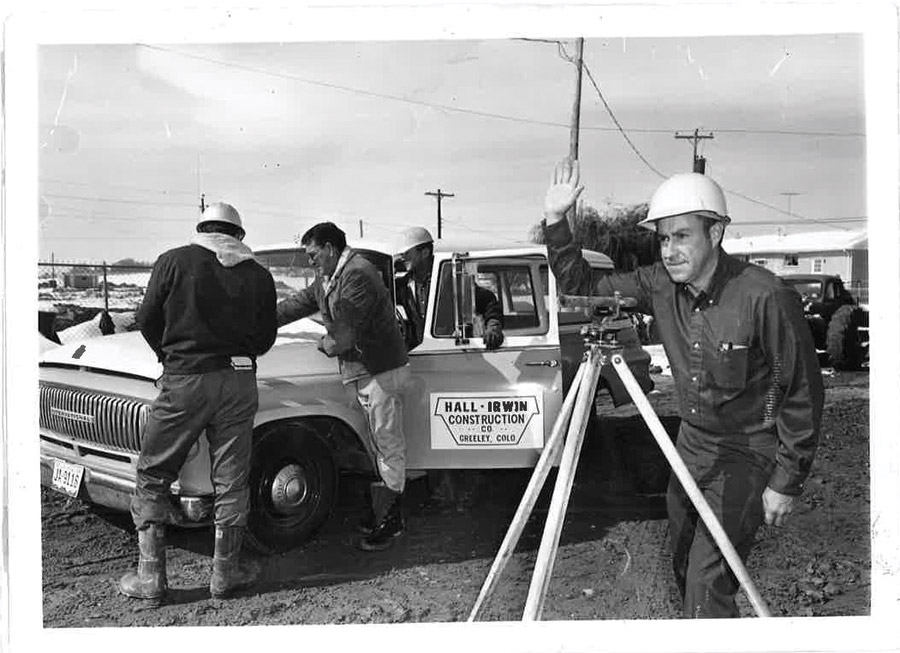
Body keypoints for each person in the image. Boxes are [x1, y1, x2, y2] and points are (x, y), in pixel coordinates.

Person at [541, 158, 824, 618]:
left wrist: (786, 480)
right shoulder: (658, 285)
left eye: (682, 236)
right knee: (682, 561)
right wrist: (556, 221)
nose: (669, 250)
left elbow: (801, 392)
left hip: (747, 453)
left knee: (708, 580)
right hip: (690, 449)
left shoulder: (764, 297)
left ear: (715, 234)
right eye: (664, 237)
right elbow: (581, 283)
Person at [120, 202, 277, 604]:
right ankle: (225, 575)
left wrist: (171, 357)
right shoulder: (258, 273)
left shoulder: (173, 261)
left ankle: (151, 579)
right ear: (238, 235)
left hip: (186, 380)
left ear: (201, 228)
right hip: (239, 381)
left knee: (154, 473)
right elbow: (266, 338)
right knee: (231, 479)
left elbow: (146, 318)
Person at [277, 222, 411, 551]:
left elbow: (344, 336)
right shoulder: (332, 275)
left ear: (331, 248)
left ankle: (392, 520)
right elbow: (301, 302)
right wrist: (264, 318)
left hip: (380, 371)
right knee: (379, 445)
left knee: (387, 445)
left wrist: (325, 344)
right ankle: (382, 511)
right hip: (366, 372)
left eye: (313, 255)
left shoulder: (358, 274)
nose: (310, 262)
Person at [395, 226, 504, 350]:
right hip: (418, 353)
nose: (402, 257)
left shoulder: (449, 279)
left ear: (424, 252)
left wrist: (493, 328)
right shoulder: (402, 286)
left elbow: (487, 301)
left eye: (407, 253)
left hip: (449, 350)